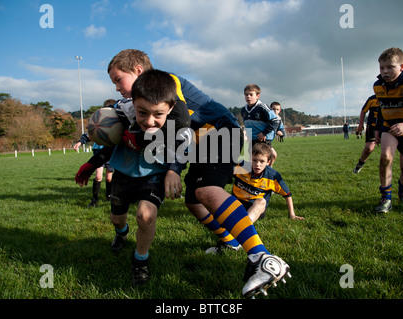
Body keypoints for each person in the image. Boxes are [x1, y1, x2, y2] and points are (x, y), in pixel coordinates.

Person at [85, 49, 292, 298]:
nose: (117, 87)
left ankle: (262, 259)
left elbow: (180, 119)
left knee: (206, 191)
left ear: (138, 71)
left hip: (220, 132)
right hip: (201, 141)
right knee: (193, 201)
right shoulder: (143, 100)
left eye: (118, 79)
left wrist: (173, 169)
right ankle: (230, 241)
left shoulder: (167, 82)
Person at [76, 69, 191, 286]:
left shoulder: (177, 125)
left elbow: (184, 149)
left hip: (153, 177)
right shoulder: (122, 114)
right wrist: (92, 164)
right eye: (142, 113)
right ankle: (122, 233)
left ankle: (140, 260)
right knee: (116, 219)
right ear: (133, 102)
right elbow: (111, 143)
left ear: (171, 107)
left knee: (145, 216)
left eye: (158, 114)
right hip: (123, 175)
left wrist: (174, 170)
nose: (149, 121)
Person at [205, 143, 304, 254]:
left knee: (261, 201)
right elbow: (223, 174)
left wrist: (292, 214)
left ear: (268, 162)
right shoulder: (241, 167)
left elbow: (287, 194)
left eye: (261, 161)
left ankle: (238, 234)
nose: (257, 164)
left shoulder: (273, 176)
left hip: (255, 207)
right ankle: (237, 235)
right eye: (254, 160)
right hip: (237, 203)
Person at [373, 47, 403, 213]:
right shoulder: (378, 86)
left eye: (390, 67)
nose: (385, 71)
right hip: (389, 127)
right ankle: (386, 198)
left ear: (401, 67)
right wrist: (378, 131)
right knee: (386, 158)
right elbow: (382, 108)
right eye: (382, 68)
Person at [73, 99, 116, 207]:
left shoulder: (116, 122)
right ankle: (94, 199)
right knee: (98, 176)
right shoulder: (100, 121)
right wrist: (80, 142)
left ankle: (109, 196)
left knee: (109, 177)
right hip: (98, 151)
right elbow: (88, 134)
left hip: (110, 152)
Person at [353, 95, 380, 174]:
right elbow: (363, 110)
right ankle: (360, 164)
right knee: (369, 148)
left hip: (385, 126)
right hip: (372, 127)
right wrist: (360, 124)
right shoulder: (372, 99)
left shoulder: (391, 97)